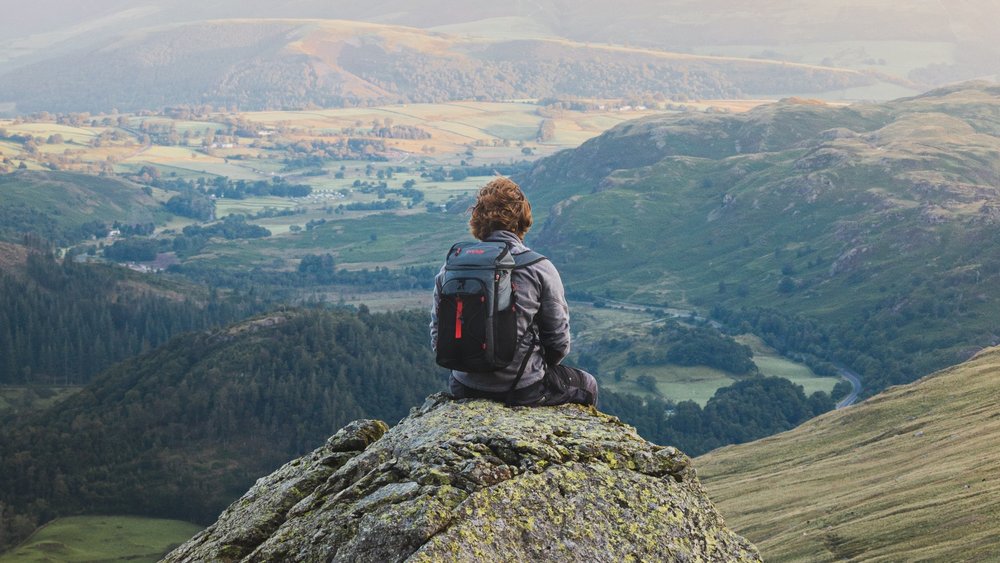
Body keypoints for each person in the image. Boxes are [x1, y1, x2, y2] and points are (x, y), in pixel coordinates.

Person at [430, 177, 599, 407]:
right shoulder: (539, 267)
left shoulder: (454, 265)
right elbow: (558, 341)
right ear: (522, 220)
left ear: (477, 219)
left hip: (463, 385)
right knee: (587, 384)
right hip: (521, 387)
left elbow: (437, 334)